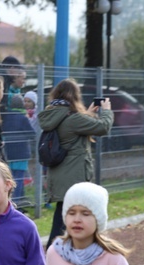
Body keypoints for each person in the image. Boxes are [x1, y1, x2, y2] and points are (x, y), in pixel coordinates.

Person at [37, 78, 114, 249]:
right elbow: (103, 127)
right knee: (64, 222)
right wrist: (107, 111)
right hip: (73, 177)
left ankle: (57, 254)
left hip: (59, 174)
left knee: (63, 217)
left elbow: (72, 130)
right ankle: (52, 257)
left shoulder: (53, 114)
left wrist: (86, 114)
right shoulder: (73, 119)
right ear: (74, 96)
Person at [2, 94, 37, 205]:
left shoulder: (6, 117)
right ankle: (16, 204)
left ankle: (14, 202)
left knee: (10, 179)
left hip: (9, 152)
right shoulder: (23, 118)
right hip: (22, 153)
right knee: (19, 179)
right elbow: (32, 134)